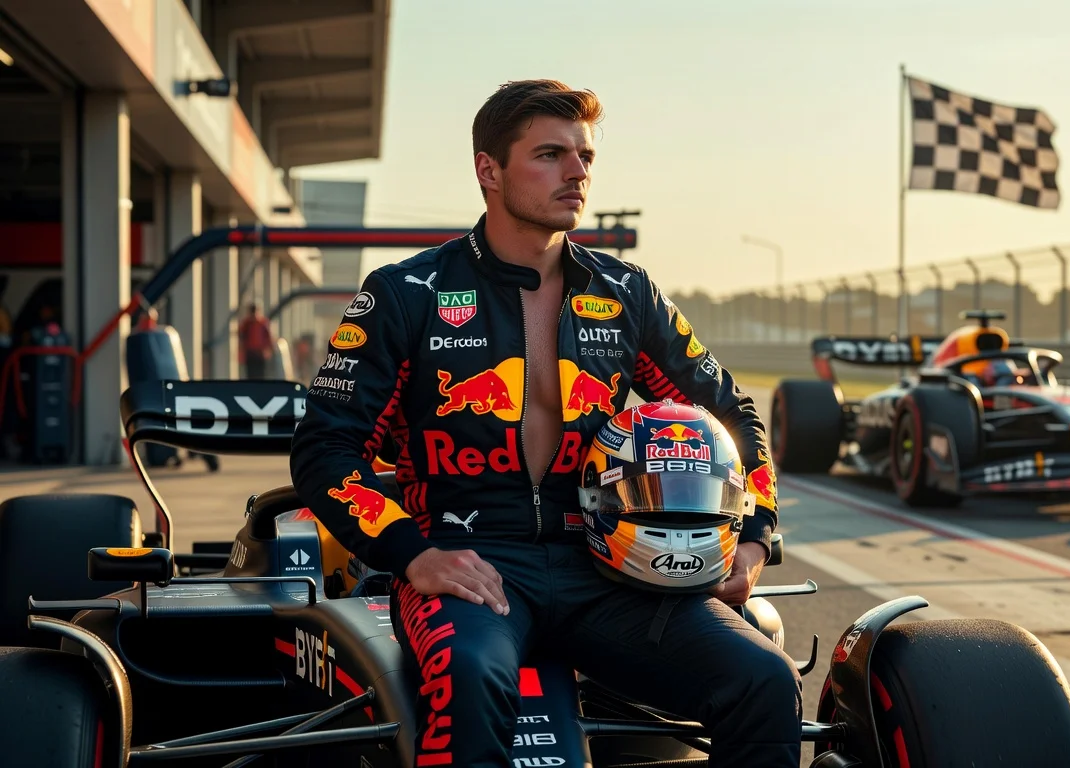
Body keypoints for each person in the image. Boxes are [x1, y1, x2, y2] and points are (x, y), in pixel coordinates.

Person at [289, 80, 800, 767]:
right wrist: (412, 554)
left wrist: (755, 539)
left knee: (764, 678)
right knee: (469, 676)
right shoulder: (405, 294)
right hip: (470, 564)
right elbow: (327, 446)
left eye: (585, 155)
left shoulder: (627, 294)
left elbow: (733, 415)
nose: (578, 172)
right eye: (551, 154)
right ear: (489, 171)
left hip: (610, 570)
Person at [237, 302, 273, 379]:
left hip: (260, 354)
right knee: (251, 374)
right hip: (250, 354)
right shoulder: (246, 324)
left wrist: (268, 350)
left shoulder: (262, 323)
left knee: (260, 374)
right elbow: (241, 337)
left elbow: (268, 337)